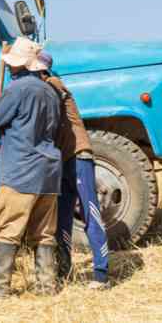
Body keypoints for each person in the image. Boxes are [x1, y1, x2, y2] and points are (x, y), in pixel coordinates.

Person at [0, 38, 63, 298]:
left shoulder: (17, 88)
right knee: (44, 232)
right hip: (48, 170)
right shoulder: (50, 90)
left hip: (22, 168)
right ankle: (47, 286)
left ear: (20, 65)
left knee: (8, 229)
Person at [38, 51, 111, 290]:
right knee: (63, 216)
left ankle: (101, 273)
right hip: (64, 159)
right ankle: (64, 268)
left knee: (90, 213)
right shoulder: (47, 84)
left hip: (78, 155)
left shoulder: (52, 84)